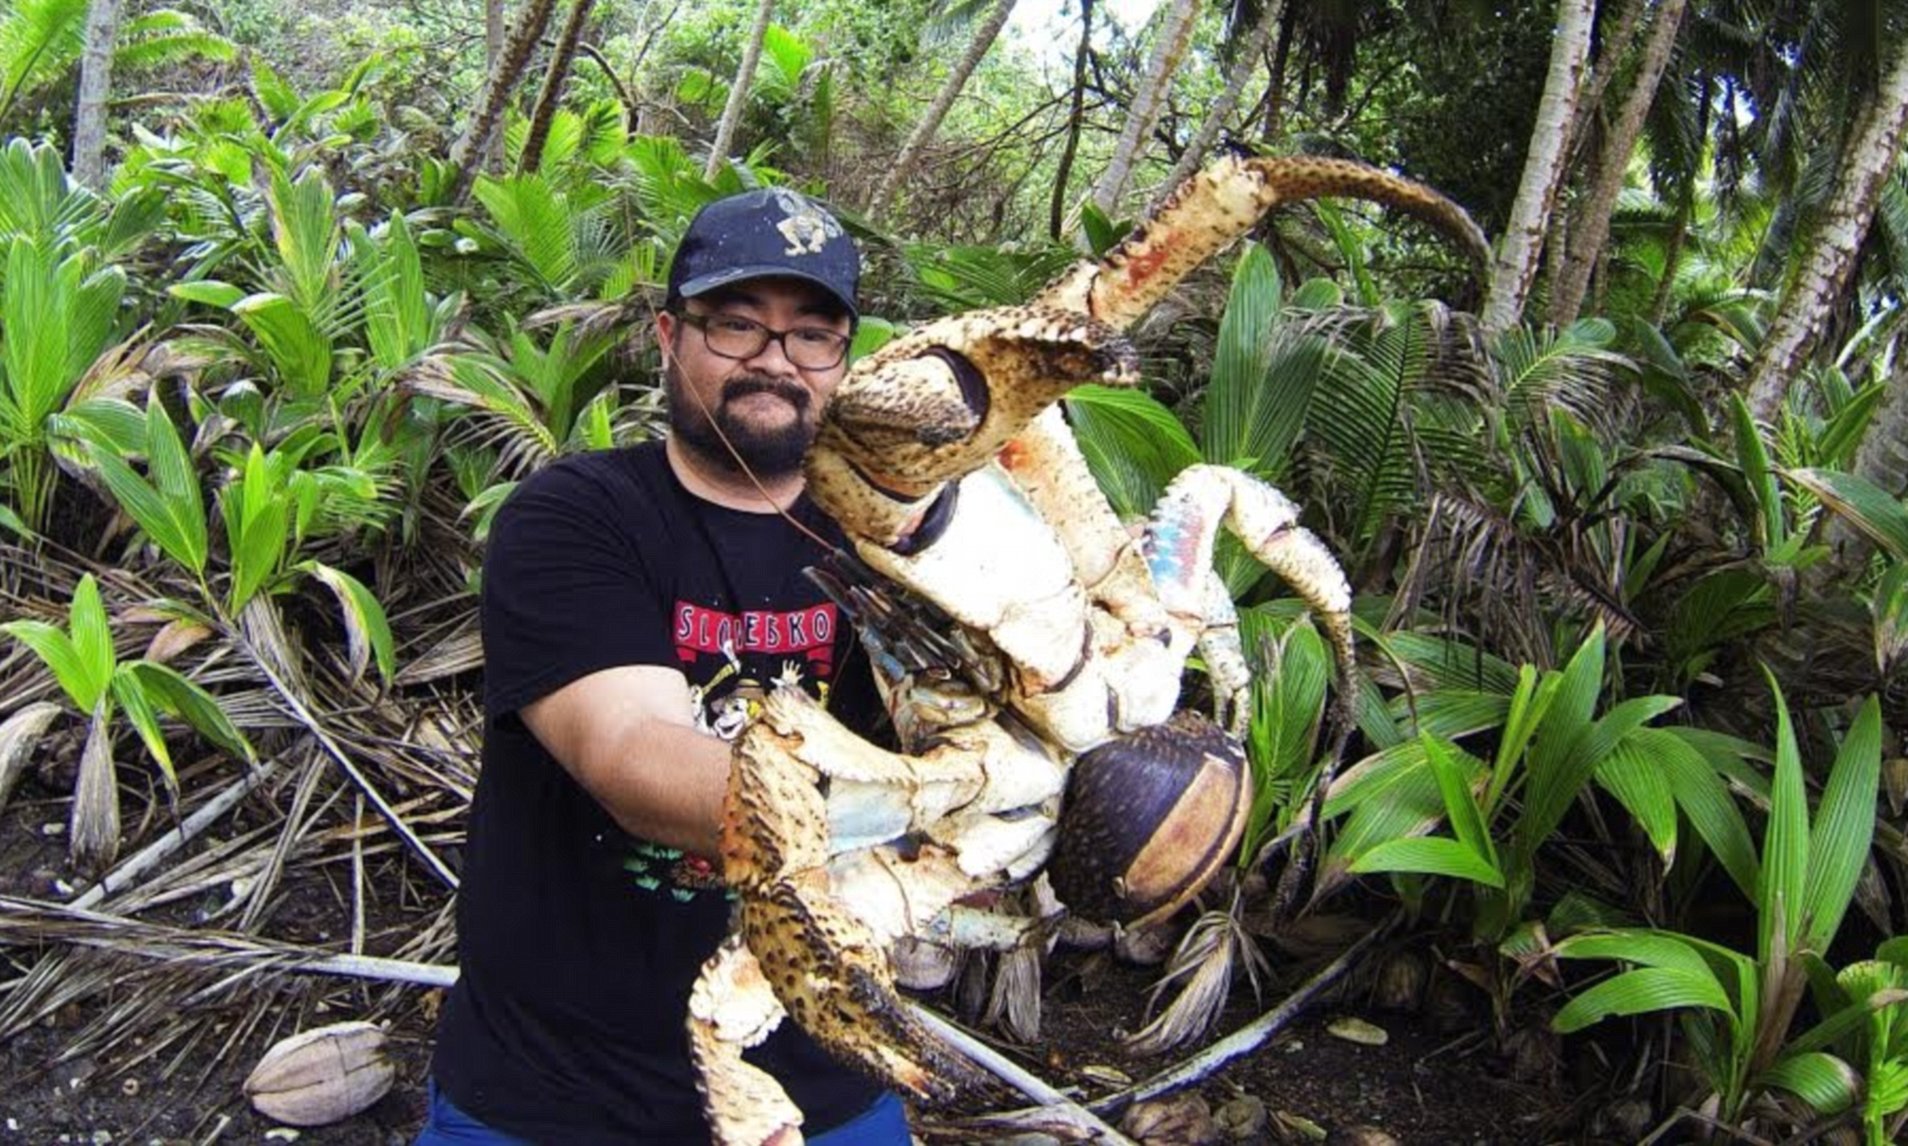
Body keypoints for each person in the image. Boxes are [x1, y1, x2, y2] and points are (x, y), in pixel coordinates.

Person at [419, 188, 908, 1145]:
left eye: (813, 335)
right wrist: (945, 806)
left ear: (844, 363)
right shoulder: (576, 514)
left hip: (825, 1076)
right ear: (668, 337)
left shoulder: (898, 544)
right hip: (551, 1093)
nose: (775, 359)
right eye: (737, 324)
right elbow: (635, 759)